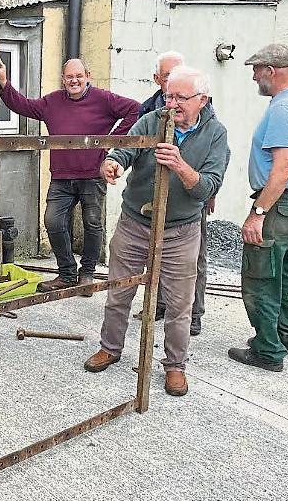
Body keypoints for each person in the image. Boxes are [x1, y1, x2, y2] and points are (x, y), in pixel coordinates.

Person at [84, 66, 230, 397]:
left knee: (179, 304)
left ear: (202, 100)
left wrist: (180, 165)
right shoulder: (153, 120)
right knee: (118, 291)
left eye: (180, 98)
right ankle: (110, 347)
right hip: (136, 223)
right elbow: (125, 148)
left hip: (181, 231)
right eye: (168, 96)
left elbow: (208, 186)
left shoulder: (215, 134)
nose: (172, 104)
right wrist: (113, 163)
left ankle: (175, 365)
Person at [0, 57, 140, 295]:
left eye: (79, 76)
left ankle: (87, 275)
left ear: (88, 77)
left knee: (92, 224)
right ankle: (67, 273)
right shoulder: (52, 102)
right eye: (69, 77)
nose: (74, 81)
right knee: (53, 221)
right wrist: (4, 82)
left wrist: (110, 142)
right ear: (63, 79)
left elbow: (136, 110)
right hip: (61, 176)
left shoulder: (103, 99)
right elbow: (23, 106)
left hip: (92, 175)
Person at [228, 43, 288, 373]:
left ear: (271, 70)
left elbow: (283, 168)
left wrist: (258, 213)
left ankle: (267, 350)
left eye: (256, 70)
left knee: (261, 274)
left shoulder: (284, 108)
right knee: (283, 267)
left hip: (281, 202)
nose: (254, 77)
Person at [140, 50, 216, 336]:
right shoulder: (149, 109)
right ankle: (159, 304)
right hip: (157, 196)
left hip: (189, 197)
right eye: (168, 77)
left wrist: (211, 192)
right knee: (156, 252)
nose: (173, 82)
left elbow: (214, 156)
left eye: (178, 74)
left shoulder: (204, 111)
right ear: (157, 79)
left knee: (192, 258)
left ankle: (193, 313)